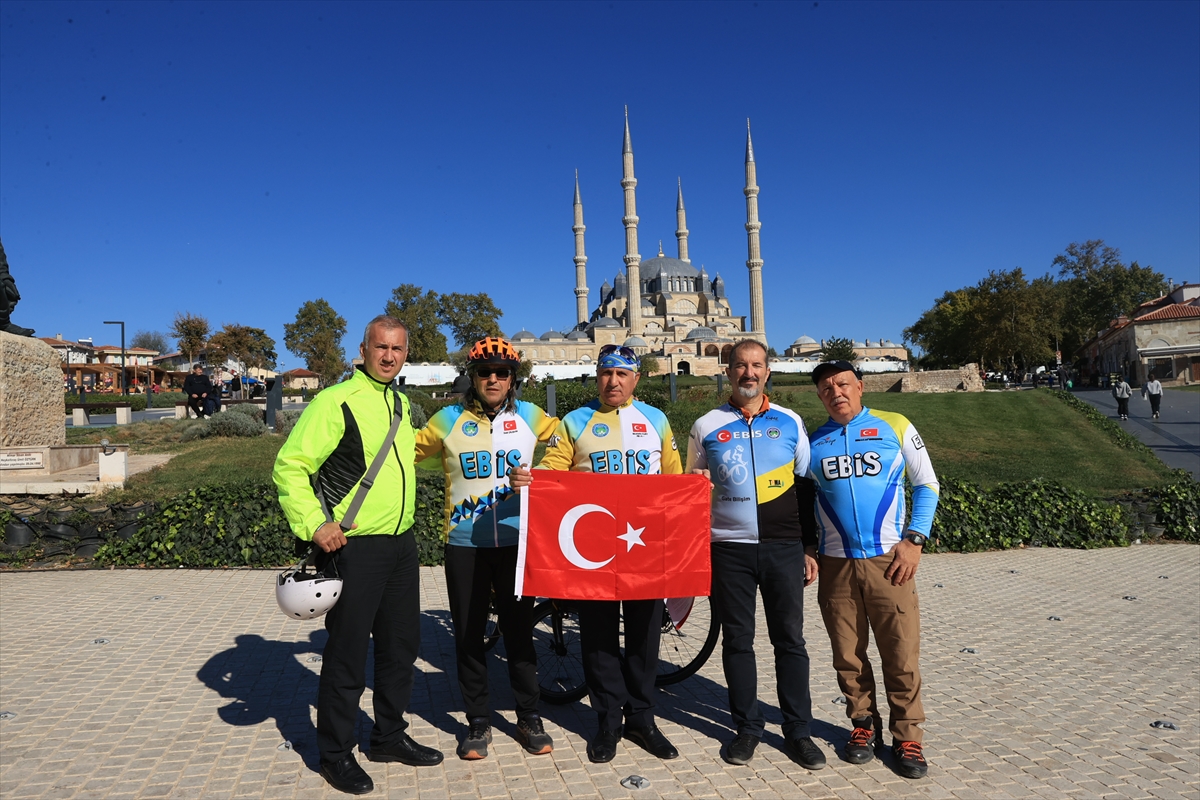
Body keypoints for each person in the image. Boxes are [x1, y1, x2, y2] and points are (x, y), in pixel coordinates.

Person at [273, 315, 443, 796]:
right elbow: (290, 466)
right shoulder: (335, 401)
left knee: (400, 649)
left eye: (398, 349)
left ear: (405, 353)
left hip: (401, 545)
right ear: (363, 350)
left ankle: (388, 736)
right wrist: (315, 524)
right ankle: (334, 753)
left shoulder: (403, 404)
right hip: (353, 546)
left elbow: (407, 460)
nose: (389, 356)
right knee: (348, 655)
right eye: (380, 347)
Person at [510, 344, 683, 764]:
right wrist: (528, 479)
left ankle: (642, 718)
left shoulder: (655, 420)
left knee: (644, 634)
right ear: (597, 377)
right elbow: (552, 473)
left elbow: (673, 477)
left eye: (623, 374)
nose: (614, 381)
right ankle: (608, 721)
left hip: (643, 545)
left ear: (636, 379)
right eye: (606, 373)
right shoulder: (575, 421)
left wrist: (694, 491)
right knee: (599, 636)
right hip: (594, 550)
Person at [414, 337, 558, 760]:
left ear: (513, 379)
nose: (492, 379)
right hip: (464, 544)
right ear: (471, 377)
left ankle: (528, 716)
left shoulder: (531, 415)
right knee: (469, 635)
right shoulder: (447, 419)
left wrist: (543, 472)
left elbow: (572, 445)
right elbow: (402, 456)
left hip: (516, 541)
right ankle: (477, 722)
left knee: (519, 632)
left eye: (501, 373)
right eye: (484, 372)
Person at [686, 340, 825, 769]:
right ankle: (747, 728)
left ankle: (798, 731)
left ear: (768, 371)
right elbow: (692, 488)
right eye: (741, 365)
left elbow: (806, 488)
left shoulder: (789, 421)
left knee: (790, 641)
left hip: (783, 547)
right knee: (738, 642)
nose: (749, 372)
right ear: (727, 371)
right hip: (728, 548)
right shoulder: (706, 424)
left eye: (757, 365)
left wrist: (808, 547)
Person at [807, 360, 940, 780]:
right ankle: (863, 725)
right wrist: (808, 548)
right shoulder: (813, 442)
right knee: (847, 655)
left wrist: (915, 540)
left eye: (843, 384)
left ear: (860, 387)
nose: (836, 392)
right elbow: (799, 503)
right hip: (835, 562)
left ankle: (907, 736)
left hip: (889, 560)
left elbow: (927, 484)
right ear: (819, 395)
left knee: (900, 652)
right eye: (827, 388)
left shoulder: (895, 424)